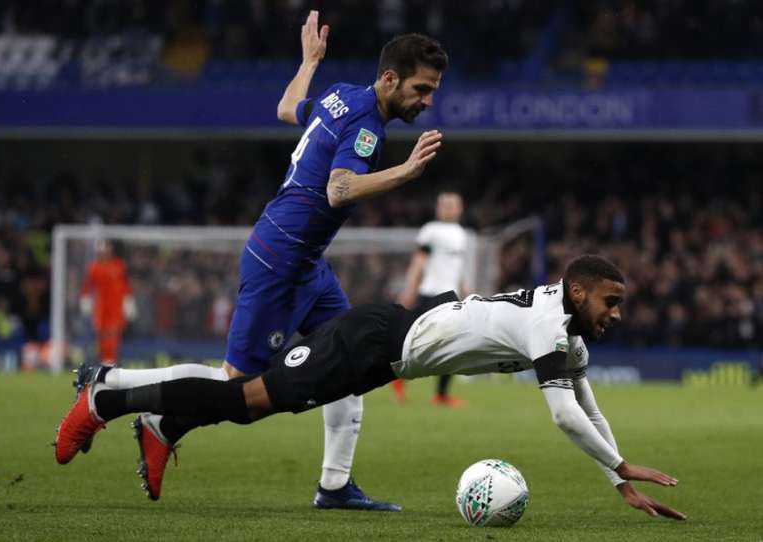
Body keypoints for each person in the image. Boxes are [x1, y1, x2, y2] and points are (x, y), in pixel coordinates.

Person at [56, 10, 448, 511]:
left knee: (354, 359)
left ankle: (334, 486)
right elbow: (339, 189)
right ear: (390, 78)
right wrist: (407, 171)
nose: (427, 101)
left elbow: (288, 108)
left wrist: (308, 62)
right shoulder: (367, 125)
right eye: (421, 88)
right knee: (234, 388)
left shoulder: (342, 95)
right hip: (280, 260)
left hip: (304, 261)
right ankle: (111, 387)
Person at [56, 254, 687, 520]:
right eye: (611, 301)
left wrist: (619, 481)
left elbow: (587, 407)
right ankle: (108, 397)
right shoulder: (551, 326)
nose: (616, 313)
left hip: (384, 351)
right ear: (579, 291)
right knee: (243, 400)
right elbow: (564, 418)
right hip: (376, 341)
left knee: (246, 401)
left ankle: (159, 423)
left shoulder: (567, 334)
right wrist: (622, 463)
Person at [394, 189, 469, 406]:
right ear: (438, 208)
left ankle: (441, 394)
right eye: (444, 204)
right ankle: (397, 376)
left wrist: (465, 286)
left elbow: (458, 266)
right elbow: (419, 261)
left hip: (452, 295)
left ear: (460, 208)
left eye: (452, 204)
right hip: (430, 293)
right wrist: (409, 289)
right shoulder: (431, 230)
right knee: (414, 339)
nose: (448, 208)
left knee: (454, 344)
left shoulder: (461, 234)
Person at [80, 240, 135, 366]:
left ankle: (111, 361)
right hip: (101, 307)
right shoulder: (94, 268)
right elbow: (87, 286)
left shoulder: (119, 265)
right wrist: (85, 300)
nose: (103, 254)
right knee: (102, 334)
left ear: (110, 251)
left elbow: (126, 286)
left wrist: (129, 302)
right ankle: (105, 360)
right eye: (100, 252)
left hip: (116, 306)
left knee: (114, 333)